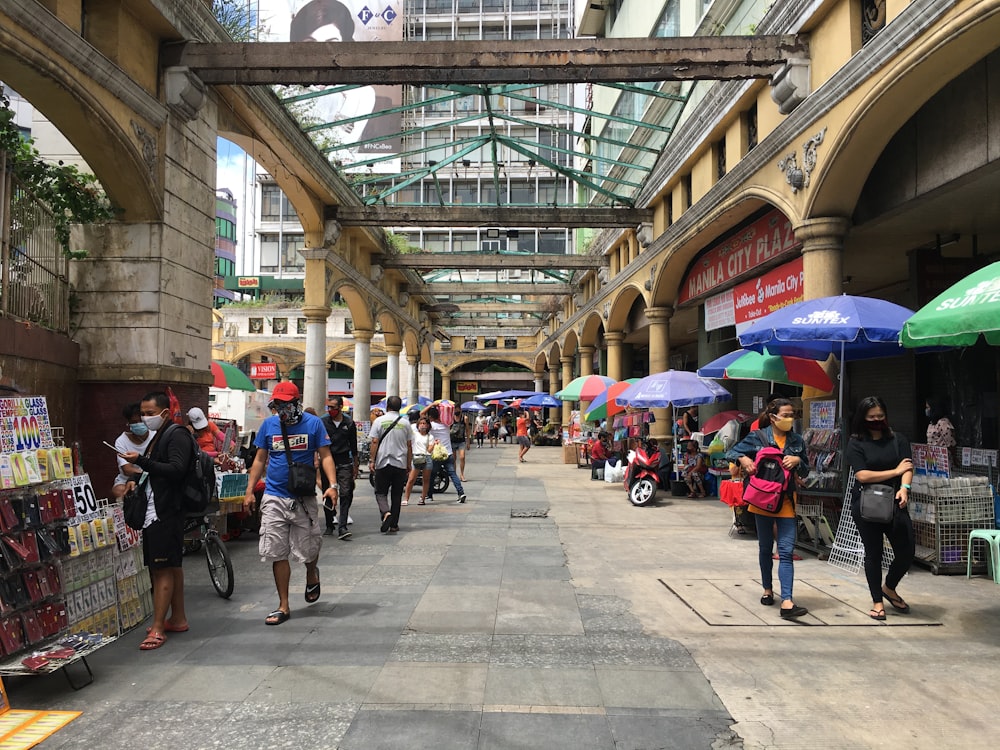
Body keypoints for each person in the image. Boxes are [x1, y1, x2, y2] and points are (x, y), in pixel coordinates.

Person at [242, 382, 339, 626]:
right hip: (274, 495)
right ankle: (283, 605)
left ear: (296, 402)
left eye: (287, 403)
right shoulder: (269, 425)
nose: (282, 408)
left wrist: (332, 485)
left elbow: (326, 455)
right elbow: (259, 459)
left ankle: (310, 571)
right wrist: (250, 490)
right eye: (278, 404)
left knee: (308, 547)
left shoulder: (313, 423)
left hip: (303, 496)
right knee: (277, 551)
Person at [120, 392, 193, 649]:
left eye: (150, 413)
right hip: (160, 508)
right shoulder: (161, 435)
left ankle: (159, 628)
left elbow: (176, 469)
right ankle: (177, 617)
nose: (145, 419)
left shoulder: (176, 434)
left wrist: (141, 461)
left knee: (161, 569)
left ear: (164, 412)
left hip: (165, 510)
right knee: (171, 566)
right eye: (143, 414)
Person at [726, 398, 810, 620]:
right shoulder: (758, 437)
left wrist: (797, 461)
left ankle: (788, 601)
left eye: (792, 414)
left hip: (786, 502)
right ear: (773, 417)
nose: (790, 419)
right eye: (785, 415)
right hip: (761, 501)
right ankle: (767, 589)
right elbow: (731, 452)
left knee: (785, 551)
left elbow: (806, 470)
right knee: (765, 548)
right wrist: (744, 458)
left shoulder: (797, 441)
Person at [845, 396, 915, 621]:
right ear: (862, 419)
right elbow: (862, 475)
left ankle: (889, 587)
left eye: (880, 416)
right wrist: (894, 472)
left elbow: (907, 466)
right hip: (867, 503)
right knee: (874, 553)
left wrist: (904, 487)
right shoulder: (856, 442)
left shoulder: (898, 439)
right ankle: (877, 601)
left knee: (906, 551)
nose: (877, 420)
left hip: (896, 501)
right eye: (871, 417)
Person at [369, 396, 412, 532]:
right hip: (400, 463)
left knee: (380, 492)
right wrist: (408, 464)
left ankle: (386, 512)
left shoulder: (379, 421)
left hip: (383, 462)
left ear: (387, 406)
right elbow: (409, 445)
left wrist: (371, 460)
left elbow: (375, 442)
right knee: (396, 495)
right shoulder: (405, 423)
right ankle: (394, 524)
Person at [320, 395, 359, 539]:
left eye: (333, 408)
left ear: (340, 408)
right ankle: (330, 523)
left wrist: (356, 464)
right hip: (327, 460)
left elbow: (353, 445)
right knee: (327, 491)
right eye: (328, 407)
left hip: (344, 461)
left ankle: (342, 525)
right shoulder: (323, 422)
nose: (330, 410)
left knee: (346, 492)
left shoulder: (349, 423)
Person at [422, 405, 467, 503]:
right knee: (453, 474)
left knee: (432, 475)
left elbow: (421, 414)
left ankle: (429, 495)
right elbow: (451, 416)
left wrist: (432, 404)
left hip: (436, 455)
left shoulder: (431, 426)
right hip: (448, 453)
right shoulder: (447, 424)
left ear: (430, 417)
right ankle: (461, 493)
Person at [111, 402, 154, 499]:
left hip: (153, 478)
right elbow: (127, 470)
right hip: (127, 480)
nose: (138, 424)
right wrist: (147, 473)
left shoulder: (155, 435)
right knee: (119, 491)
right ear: (128, 423)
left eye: (141, 421)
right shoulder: (121, 441)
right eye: (134, 422)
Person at [405, 417, 435, 505]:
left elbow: (429, 450)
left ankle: (423, 498)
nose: (422, 425)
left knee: (426, 480)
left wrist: (433, 445)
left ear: (428, 425)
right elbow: (409, 444)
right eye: (421, 423)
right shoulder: (414, 434)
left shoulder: (430, 437)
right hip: (416, 458)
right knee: (411, 479)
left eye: (424, 423)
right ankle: (406, 498)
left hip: (427, 458)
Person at [450, 412, 468, 481]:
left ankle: (462, 474)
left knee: (462, 457)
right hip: (453, 441)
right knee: (453, 459)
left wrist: (468, 441)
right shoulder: (451, 418)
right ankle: (454, 475)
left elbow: (467, 429)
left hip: (461, 441)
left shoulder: (464, 418)